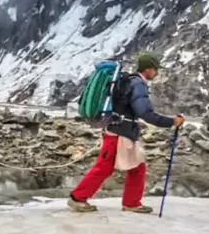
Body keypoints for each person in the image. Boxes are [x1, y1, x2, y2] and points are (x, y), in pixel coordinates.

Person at [68, 53, 184, 214]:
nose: (156, 73)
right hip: (120, 133)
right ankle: (79, 198)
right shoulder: (138, 85)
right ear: (149, 69)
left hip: (118, 131)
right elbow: (145, 112)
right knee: (109, 167)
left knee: (134, 166)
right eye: (155, 70)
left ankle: (130, 202)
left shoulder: (128, 81)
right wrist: (171, 122)